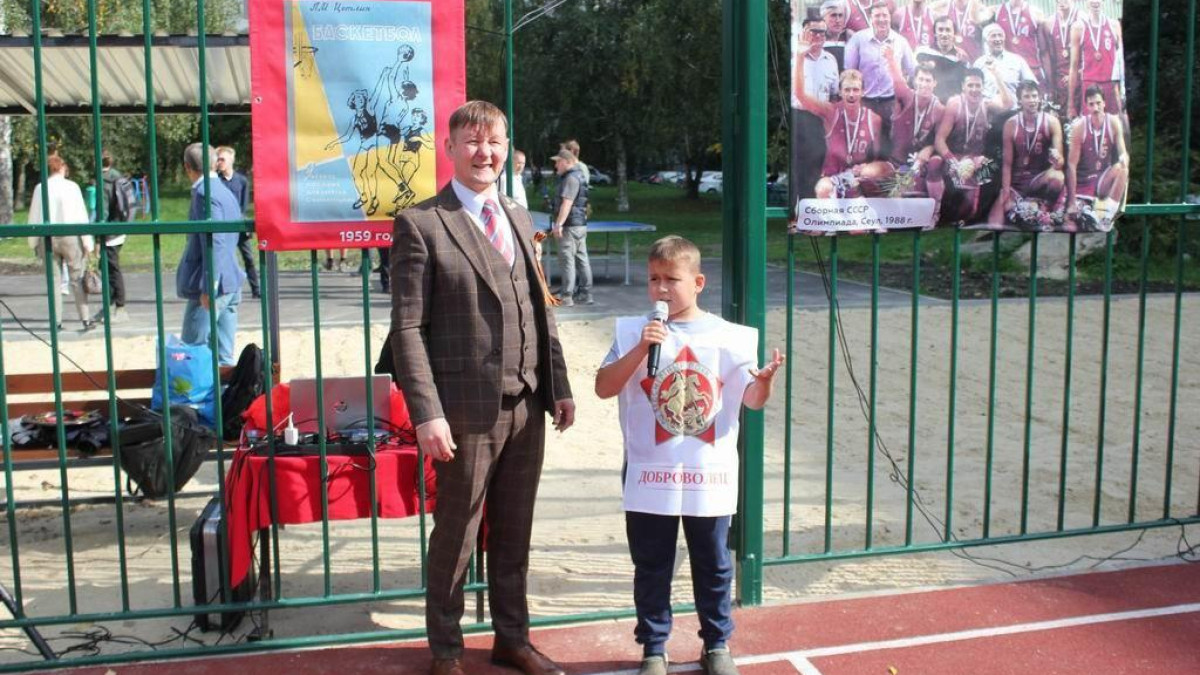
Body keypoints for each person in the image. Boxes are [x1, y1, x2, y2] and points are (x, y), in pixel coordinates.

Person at [387, 100, 575, 675]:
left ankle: (512, 639)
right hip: (463, 413)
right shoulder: (421, 223)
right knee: (457, 535)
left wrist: (559, 386)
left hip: (527, 404)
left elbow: (540, 308)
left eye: (494, 142)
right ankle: (446, 650)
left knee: (514, 532)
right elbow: (407, 329)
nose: (484, 153)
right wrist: (427, 413)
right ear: (449, 148)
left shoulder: (517, 214)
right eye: (472, 141)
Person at [593, 235, 783, 675]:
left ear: (698, 282)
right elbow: (604, 387)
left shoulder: (730, 337)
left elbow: (752, 399)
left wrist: (765, 383)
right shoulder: (633, 332)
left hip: (707, 472)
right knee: (652, 564)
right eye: (653, 279)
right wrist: (642, 348)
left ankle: (716, 644)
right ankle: (653, 648)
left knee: (713, 562)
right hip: (649, 469)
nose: (661, 289)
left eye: (671, 279)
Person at [177, 143, 245, 366]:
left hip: (214, 284)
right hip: (231, 279)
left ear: (187, 167)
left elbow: (214, 241)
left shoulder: (204, 193)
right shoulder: (225, 191)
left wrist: (209, 286)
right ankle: (225, 388)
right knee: (224, 357)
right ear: (215, 163)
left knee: (191, 349)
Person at [926, 67, 1013, 223]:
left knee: (990, 167)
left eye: (978, 85)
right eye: (970, 85)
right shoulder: (955, 104)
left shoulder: (986, 104)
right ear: (963, 87)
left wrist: (997, 76)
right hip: (953, 158)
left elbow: (1008, 104)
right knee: (934, 163)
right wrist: (954, 162)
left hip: (974, 160)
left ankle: (976, 213)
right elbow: (939, 140)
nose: (974, 89)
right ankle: (935, 212)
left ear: (983, 87)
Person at [793, 67, 890, 199]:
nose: (851, 94)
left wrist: (865, 166)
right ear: (840, 92)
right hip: (834, 176)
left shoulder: (874, 119)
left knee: (872, 173)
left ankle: (871, 207)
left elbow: (877, 158)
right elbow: (800, 95)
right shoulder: (831, 112)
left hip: (860, 176)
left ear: (863, 92)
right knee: (822, 189)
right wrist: (800, 58)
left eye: (855, 89)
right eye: (847, 90)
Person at [26, 155, 95, 331]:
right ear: (62, 168)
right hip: (70, 235)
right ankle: (85, 318)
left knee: (54, 281)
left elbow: (34, 215)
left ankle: (56, 321)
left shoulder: (40, 188)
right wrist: (87, 241)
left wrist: (32, 242)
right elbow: (81, 214)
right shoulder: (72, 187)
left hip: (47, 236)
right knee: (77, 278)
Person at [989, 80, 1065, 227]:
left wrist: (1057, 159)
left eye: (1035, 96)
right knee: (994, 222)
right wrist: (1006, 194)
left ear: (1040, 98)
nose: (1032, 100)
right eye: (1027, 96)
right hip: (1017, 183)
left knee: (1057, 176)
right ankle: (1025, 209)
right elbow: (1007, 164)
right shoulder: (1011, 124)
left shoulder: (1052, 122)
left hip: (1038, 180)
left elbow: (1060, 164)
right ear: (1020, 100)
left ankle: (1044, 208)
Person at [845, 1, 916, 141]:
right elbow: (850, 72)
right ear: (870, 18)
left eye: (885, 15)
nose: (881, 19)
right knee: (865, 141)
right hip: (865, 102)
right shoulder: (858, 40)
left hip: (891, 103)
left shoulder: (901, 42)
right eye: (877, 16)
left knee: (890, 142)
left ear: (890, 17)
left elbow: (913, 70)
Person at [791, 16, 840, 201]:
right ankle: (793, 210)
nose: (819, 36)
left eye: (822, 32)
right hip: (798, 117)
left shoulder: (830, 60)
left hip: (819, 120)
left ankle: (808, 209)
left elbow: (834, 94)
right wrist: (800, 55)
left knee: (815, 167)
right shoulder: (794, 58)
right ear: (804, 32)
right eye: (814, 31)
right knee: (795, 168)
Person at [1065, 85, 1128, 219]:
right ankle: (1088, 206)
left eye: (1098, 103)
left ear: (1104, 103)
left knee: (1122, 168)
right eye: (1091, 104)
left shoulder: (1113, 122)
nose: (1095, 108)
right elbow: (1071, 165)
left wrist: (1124, 159)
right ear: (1086, 106)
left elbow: (1123, 153)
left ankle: (1107, 214)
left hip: (1103, 179)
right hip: (1084, 181)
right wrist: (1071, 202)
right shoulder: (1079, 127)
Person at [1066, 0, 1124, 119]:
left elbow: (1121, 62)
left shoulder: (1114, 25)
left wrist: (1122, 92)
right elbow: (1074, 66)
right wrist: (1070, 104)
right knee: (1089, 125)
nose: (1095, 1)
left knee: (1113, 125)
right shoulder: (1078, 27)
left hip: (1110, 86)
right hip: (1089, 85)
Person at [551, 148, 593, 306]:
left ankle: (567, 295)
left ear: (567, 162)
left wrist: (559, 224)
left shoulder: (570, 179)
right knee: (582, 259)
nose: (556, 165)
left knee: (567, 260)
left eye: (558, 162)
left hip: (569, 225)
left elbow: (567, 203)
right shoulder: (579, 176)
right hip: (580, 224)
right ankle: (586, 294)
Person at [215, 145, 259, 298]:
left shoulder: (242, 181)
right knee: (224, 257)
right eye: (218, 159)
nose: (219, 162)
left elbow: (243, 205)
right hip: (223, 226)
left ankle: (256, 289)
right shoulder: (216, 181)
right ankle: (223, 288)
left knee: (248, 257)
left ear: (231, 161)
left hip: (238, 224)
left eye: (222, 159)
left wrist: (240, 222)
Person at [97, 151, 130, 323]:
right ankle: (110, 305)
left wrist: (97, 236)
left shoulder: (103, 181)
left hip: (109, 231)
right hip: (120, 226)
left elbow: (102, 211)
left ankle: (119, 307)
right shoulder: (118, 176)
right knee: (109, 267)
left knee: (110, 269)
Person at [973, 23, 1036, 107]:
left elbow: (1031, 84)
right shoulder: (979, 63)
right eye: (993, 36)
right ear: (986, 40)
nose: (998, 39)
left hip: (1014, 110)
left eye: (1000, 35)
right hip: (989, 110)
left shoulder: (1017, 60)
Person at [915, 15, 969, 101]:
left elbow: (965, 87)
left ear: (954, 33)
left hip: (951, 106)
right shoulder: (922, 53)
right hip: (927, 104)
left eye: (948, 30)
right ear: (935, 33)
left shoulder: (961, 58)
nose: (944, 34)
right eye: (940, 30)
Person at [1039, 0, 1079, 115]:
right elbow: (1047, 56)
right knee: (1062, 117)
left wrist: (1077, 73)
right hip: (1059, 80)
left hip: (1079, 78)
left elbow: (1088, 55)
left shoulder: (1082, 19)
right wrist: (1051, 85)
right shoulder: (1048, 23)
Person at [991, 0, 1045, 84]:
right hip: (1008, 70)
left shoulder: (1035, 12)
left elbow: (1044, 49)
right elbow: (976, 19)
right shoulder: (996, 11)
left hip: (1032, 69)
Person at [819, 0, 854, 69]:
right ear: (823, 18)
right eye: (833, 15)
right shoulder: (818, 38)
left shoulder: (851, 37)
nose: (837, 20)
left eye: (840, 15)